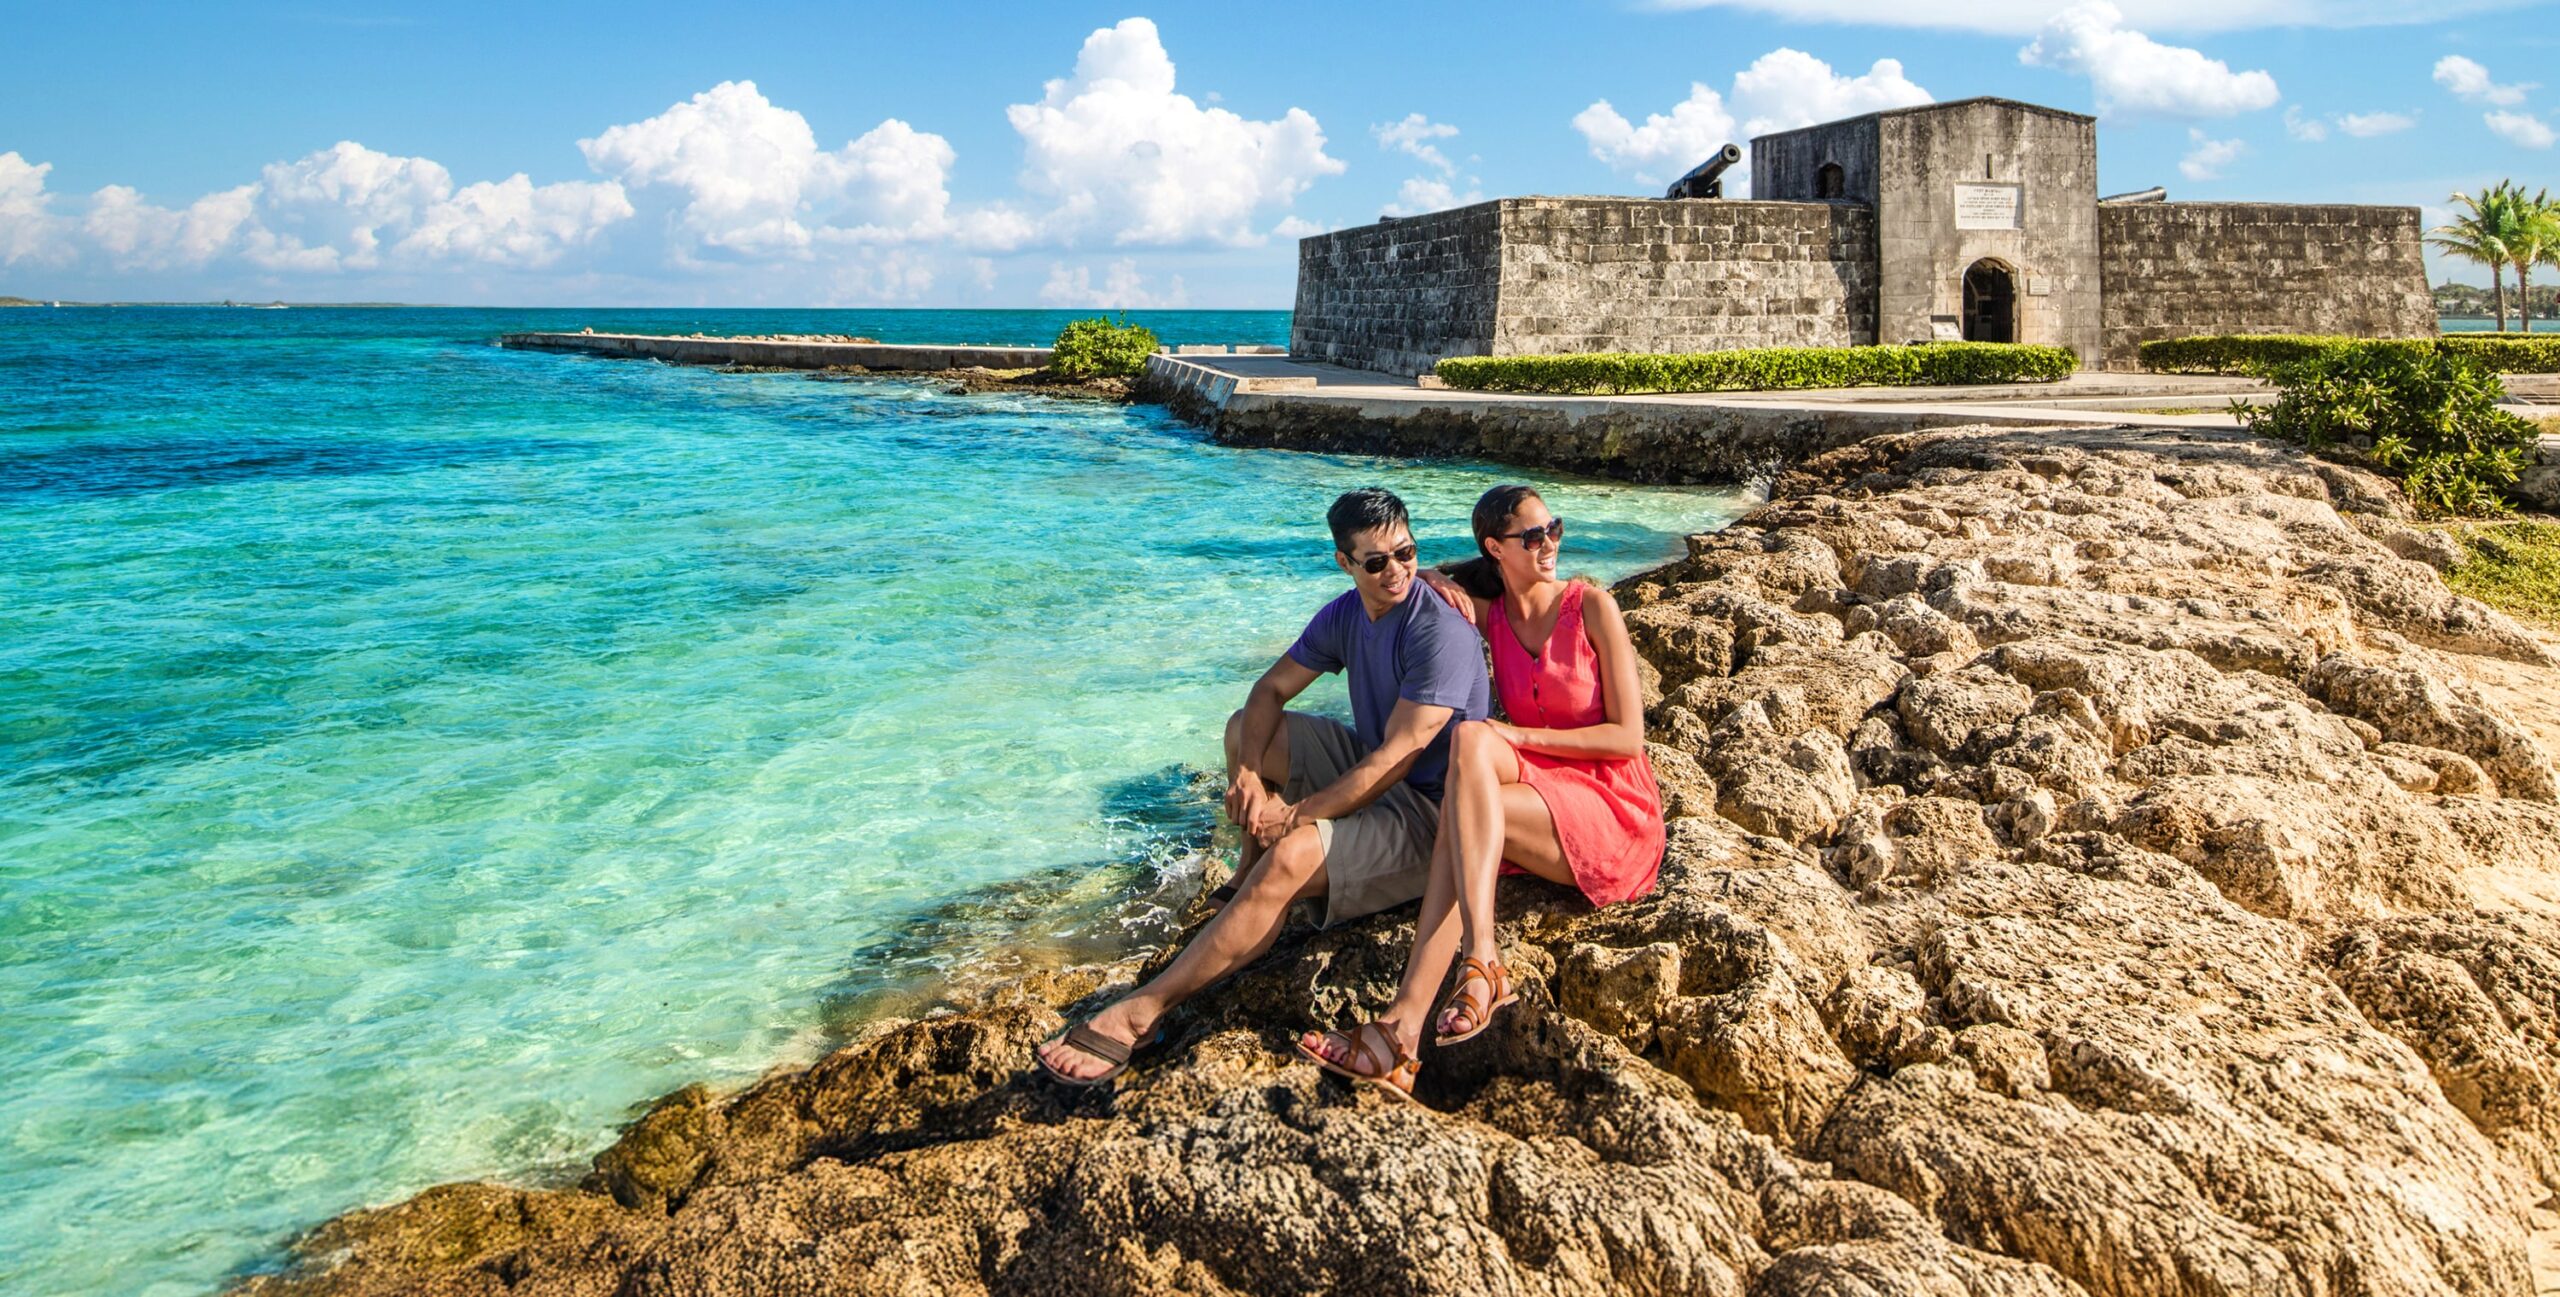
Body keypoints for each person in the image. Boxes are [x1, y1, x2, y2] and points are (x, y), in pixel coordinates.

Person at [1034, 488, 1491, 1086]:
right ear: (1344, 563)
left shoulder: (1439, 632)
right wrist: (1249, 776)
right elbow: (1269, 692)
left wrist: (1296, 816)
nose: (1397, 571)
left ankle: (1140, 1014)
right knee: (1243, 732)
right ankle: (1247, 872)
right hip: (1375, 768)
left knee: (1293, 854)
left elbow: (1396, 759)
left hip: (1433, 817)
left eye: (1406, 553)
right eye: (1376, 562)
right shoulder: (1346, 614)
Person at [1297, 485, 1664, 1100]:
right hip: (1540, 789)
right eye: (1531, 536)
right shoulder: (1491, 615)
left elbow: (1628, 739)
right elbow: (1421, 572)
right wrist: (1434, 575)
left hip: (1611, 804)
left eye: (1554, 529)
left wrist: (1518, 734)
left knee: (1471, 772)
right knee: (1468, 757)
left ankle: (1432, 1001)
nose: (1548, 544)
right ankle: (1433, 1009)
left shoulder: (1591, 606)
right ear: (1495, 549)